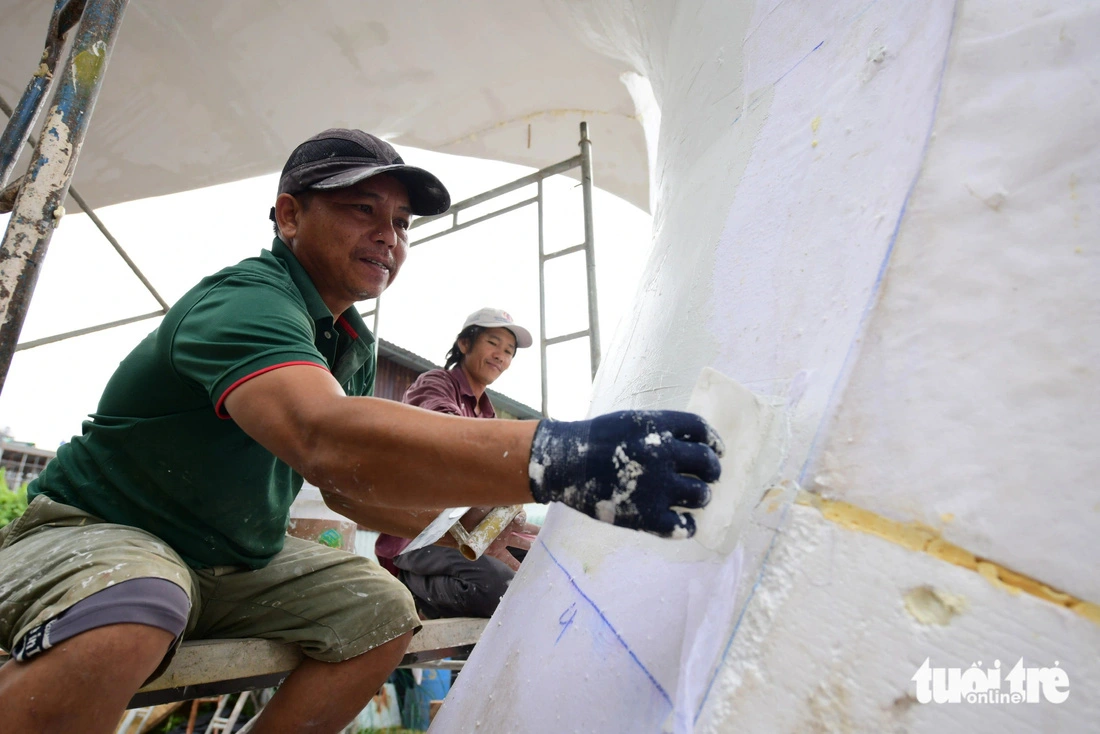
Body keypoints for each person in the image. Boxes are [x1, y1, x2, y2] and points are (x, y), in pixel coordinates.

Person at [0, 128, 724, 734]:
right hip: (103, 529)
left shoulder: (348, 341)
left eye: (402, 224)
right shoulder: (247, 302)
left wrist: (475, 515)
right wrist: (561, 456)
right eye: (360, 209)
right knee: (135, 612)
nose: (387, 237)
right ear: (288, 215)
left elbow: (351, 490)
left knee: (382, 611)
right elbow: (326, 436)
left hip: (229, 559)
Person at [375, 307, 538, 619]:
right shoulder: (435, 384)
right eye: (493, 343)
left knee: (539, 569)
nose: (501, 356)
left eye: (508, 351)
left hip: (468, 536)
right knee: (499, 586)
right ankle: (411, 590)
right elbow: (447, 432)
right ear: (465, 344)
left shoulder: (487, 414)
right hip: (420, 535)